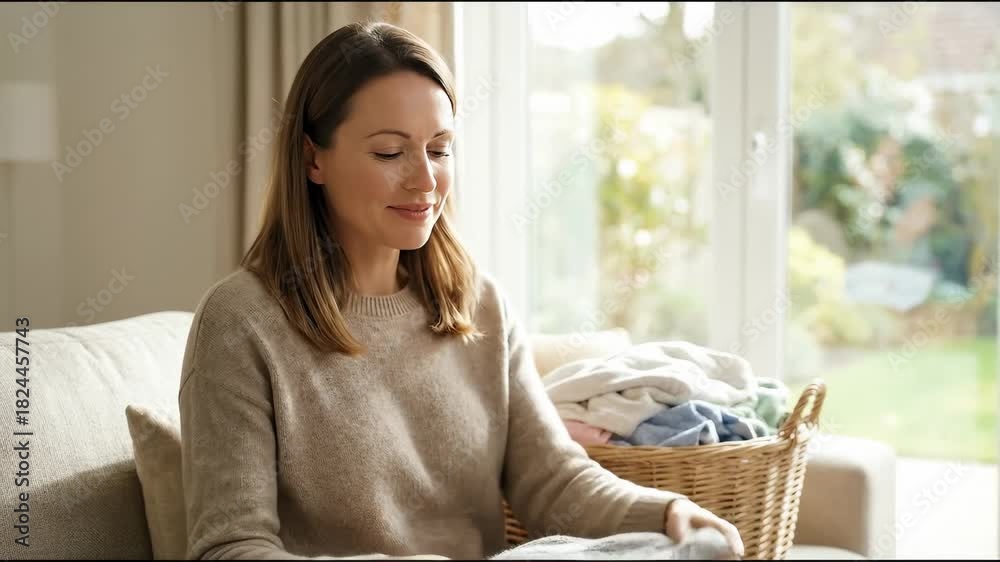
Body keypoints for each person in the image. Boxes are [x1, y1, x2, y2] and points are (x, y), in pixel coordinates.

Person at [178, 21, 744, 561]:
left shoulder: (480, 303)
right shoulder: (241, 322)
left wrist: (666, 512)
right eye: (389, 152)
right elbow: (228, 548)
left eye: (439, 148)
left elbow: (553, 480)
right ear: (312, 159)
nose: (425, 180)